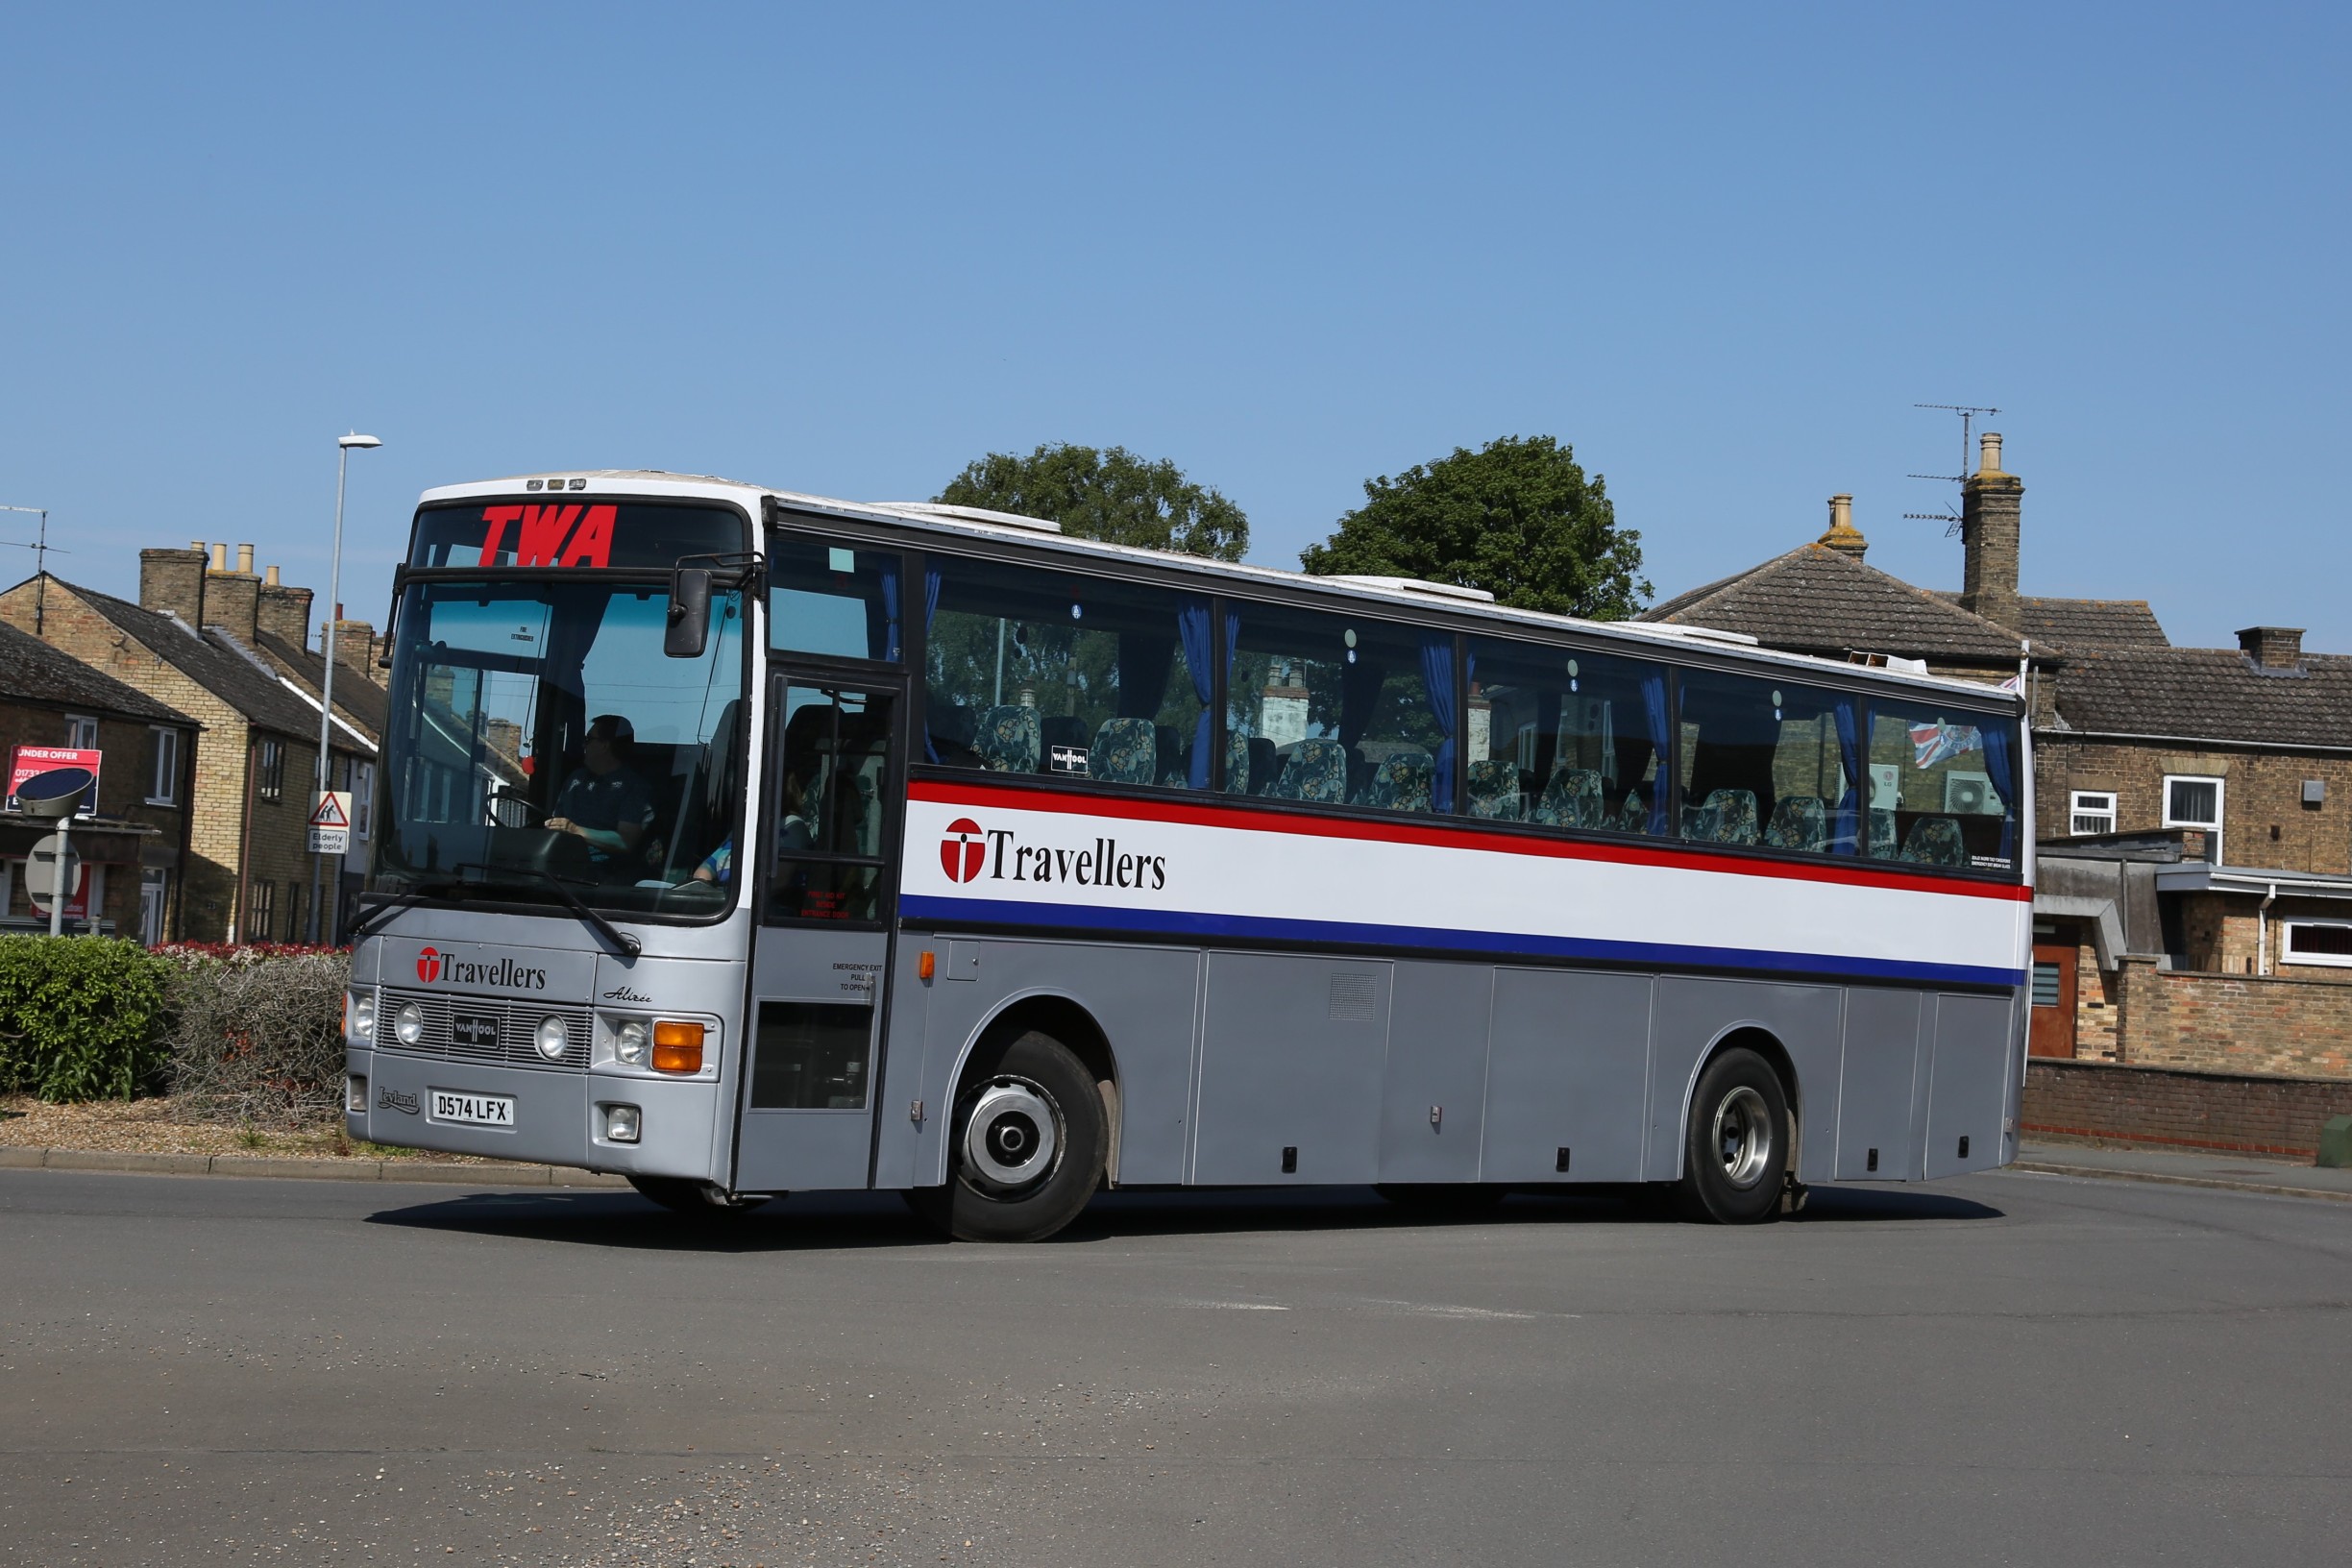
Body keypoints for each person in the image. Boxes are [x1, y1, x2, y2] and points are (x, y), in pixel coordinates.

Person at [545, 714, 657, 873]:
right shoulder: (575, 779)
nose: (584, 745)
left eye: (589, 740)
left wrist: (575, 830)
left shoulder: (635, 788)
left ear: (605, 745)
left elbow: (625, 841)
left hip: (605, 875)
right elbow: (556, 821)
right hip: (559, 864)